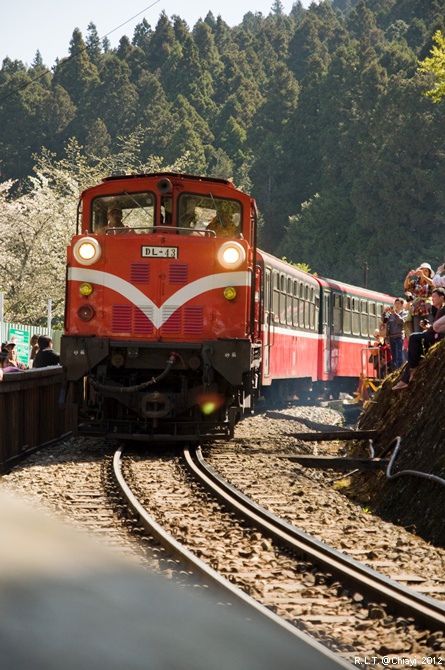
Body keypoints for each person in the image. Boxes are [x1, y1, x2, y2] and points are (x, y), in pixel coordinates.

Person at [392, 287, 445, 390]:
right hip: (434, 334)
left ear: (442, 297)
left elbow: (438, 328)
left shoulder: (443, 310)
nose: (432, 299)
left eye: (434, 297)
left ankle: (409, 374)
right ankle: (405, 378)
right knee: (415, 351)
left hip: (438, 337)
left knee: (414, 338)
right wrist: (428, 327)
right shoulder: (439, 310)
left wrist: (430, 329)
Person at [403, 263, 434, 333]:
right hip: (416, 309)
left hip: (428, 309)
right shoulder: (415, 282)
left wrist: (423, 276)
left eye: (426, 271)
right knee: (417, 331)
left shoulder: (430, 282)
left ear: (429, 273)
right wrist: (408, 277)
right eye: (422, 270)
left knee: (429, 329)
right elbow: (406, 287)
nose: (424, 272)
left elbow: (433, 284)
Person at [381, 298, 407, 371]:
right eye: (396, 303)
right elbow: (384, 320)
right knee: (394, 356)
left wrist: (395, 314)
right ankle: (395, 370)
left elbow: (401, 321)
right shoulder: (390, 315)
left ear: (402, 305)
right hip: (391, 337)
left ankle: (400, 370)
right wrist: (384, 312)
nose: (397, 305)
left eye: (399, 303)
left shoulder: (404, 313)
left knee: (399, 355)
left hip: (399, 336)